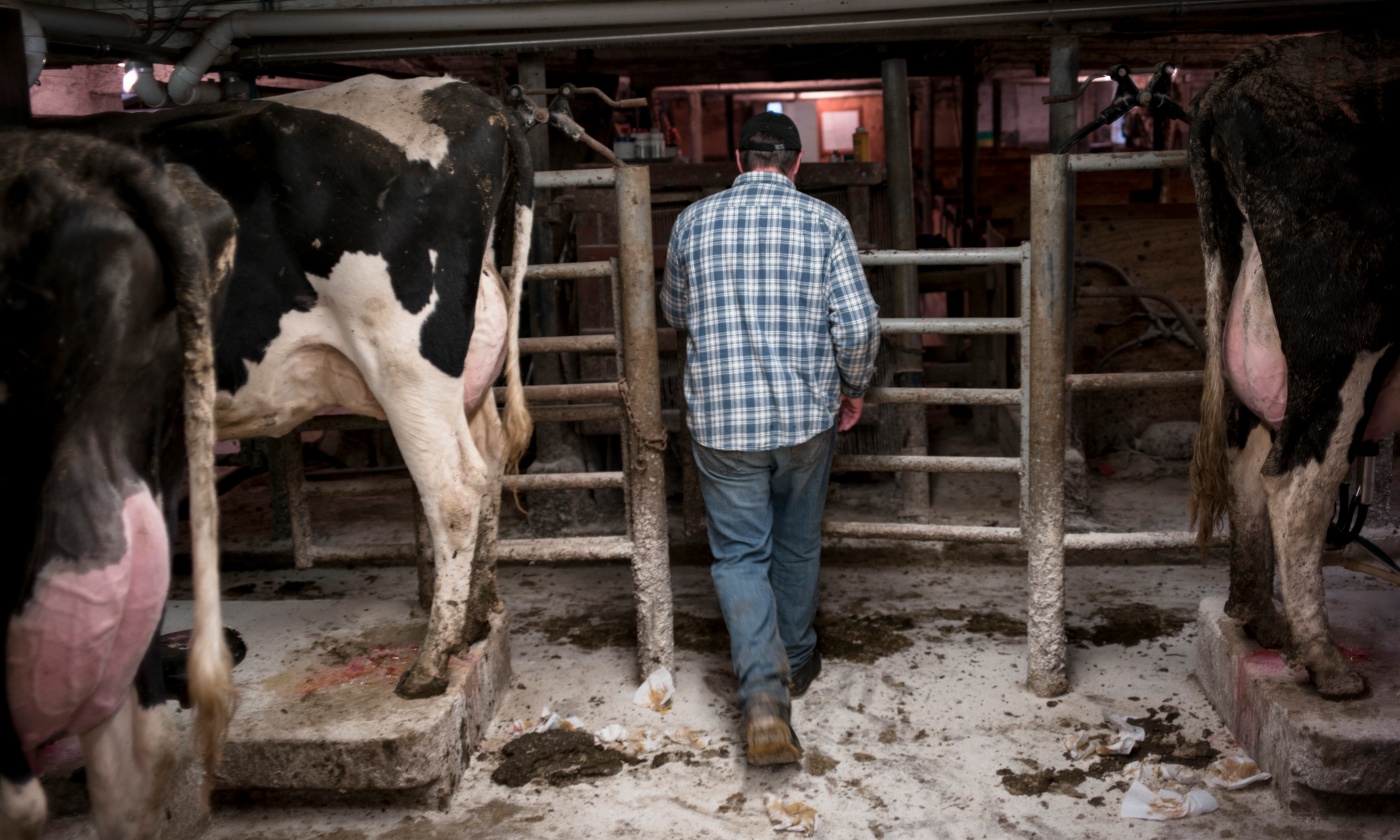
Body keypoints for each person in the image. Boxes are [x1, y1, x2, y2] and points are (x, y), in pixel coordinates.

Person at [661, 111, 882, 766]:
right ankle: (800, 662)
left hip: (724, 423)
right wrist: (854, 385)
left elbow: (673, 309)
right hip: (804, 418)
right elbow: (861, 325)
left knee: (738, 556)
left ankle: (761, 696)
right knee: (796, 540)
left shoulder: (692, 222)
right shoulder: (826, 223)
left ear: (737, 159)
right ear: (797, 164)